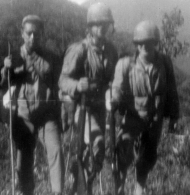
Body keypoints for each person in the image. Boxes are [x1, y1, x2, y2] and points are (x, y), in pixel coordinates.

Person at [110, 20, 179, 195]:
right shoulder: (126, 64)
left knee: (148, 157)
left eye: (150, 43)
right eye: (141, 43)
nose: (145, 47)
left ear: (156, 43)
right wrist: (114, 101)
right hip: (133, 116)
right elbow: (117, 88)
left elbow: (171, 89)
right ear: (136, 45)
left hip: (155, 117)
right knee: (123, 149)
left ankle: (139, 187)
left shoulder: (164, 62)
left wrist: (174, 117)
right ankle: (120, 186)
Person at [58, 2, 118, 194]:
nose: (102, 28)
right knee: (97, 144)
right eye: (98, 24)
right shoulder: (79, 50)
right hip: (80, 108)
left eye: (105, 24)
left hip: (100, 109)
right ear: (90, 27)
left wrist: (112, 93)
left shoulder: (111, 51)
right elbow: (62, 80)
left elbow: (112, 80)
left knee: (94, 157)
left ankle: (84, 185)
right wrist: (77, 85)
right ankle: (81, 186)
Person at [1, 15, 63, 195]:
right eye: (29, 33)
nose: (32, 37)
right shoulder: (14, 58)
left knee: (56, 151)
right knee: (23, 162)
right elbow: (2, 83)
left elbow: (58, 84)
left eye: (36, 33)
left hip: (46, 115)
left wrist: (62, 113)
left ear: (41, 34)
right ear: (22, 33)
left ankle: (58, 192)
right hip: (23, 116)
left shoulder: (51, 58)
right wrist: (6, 69)